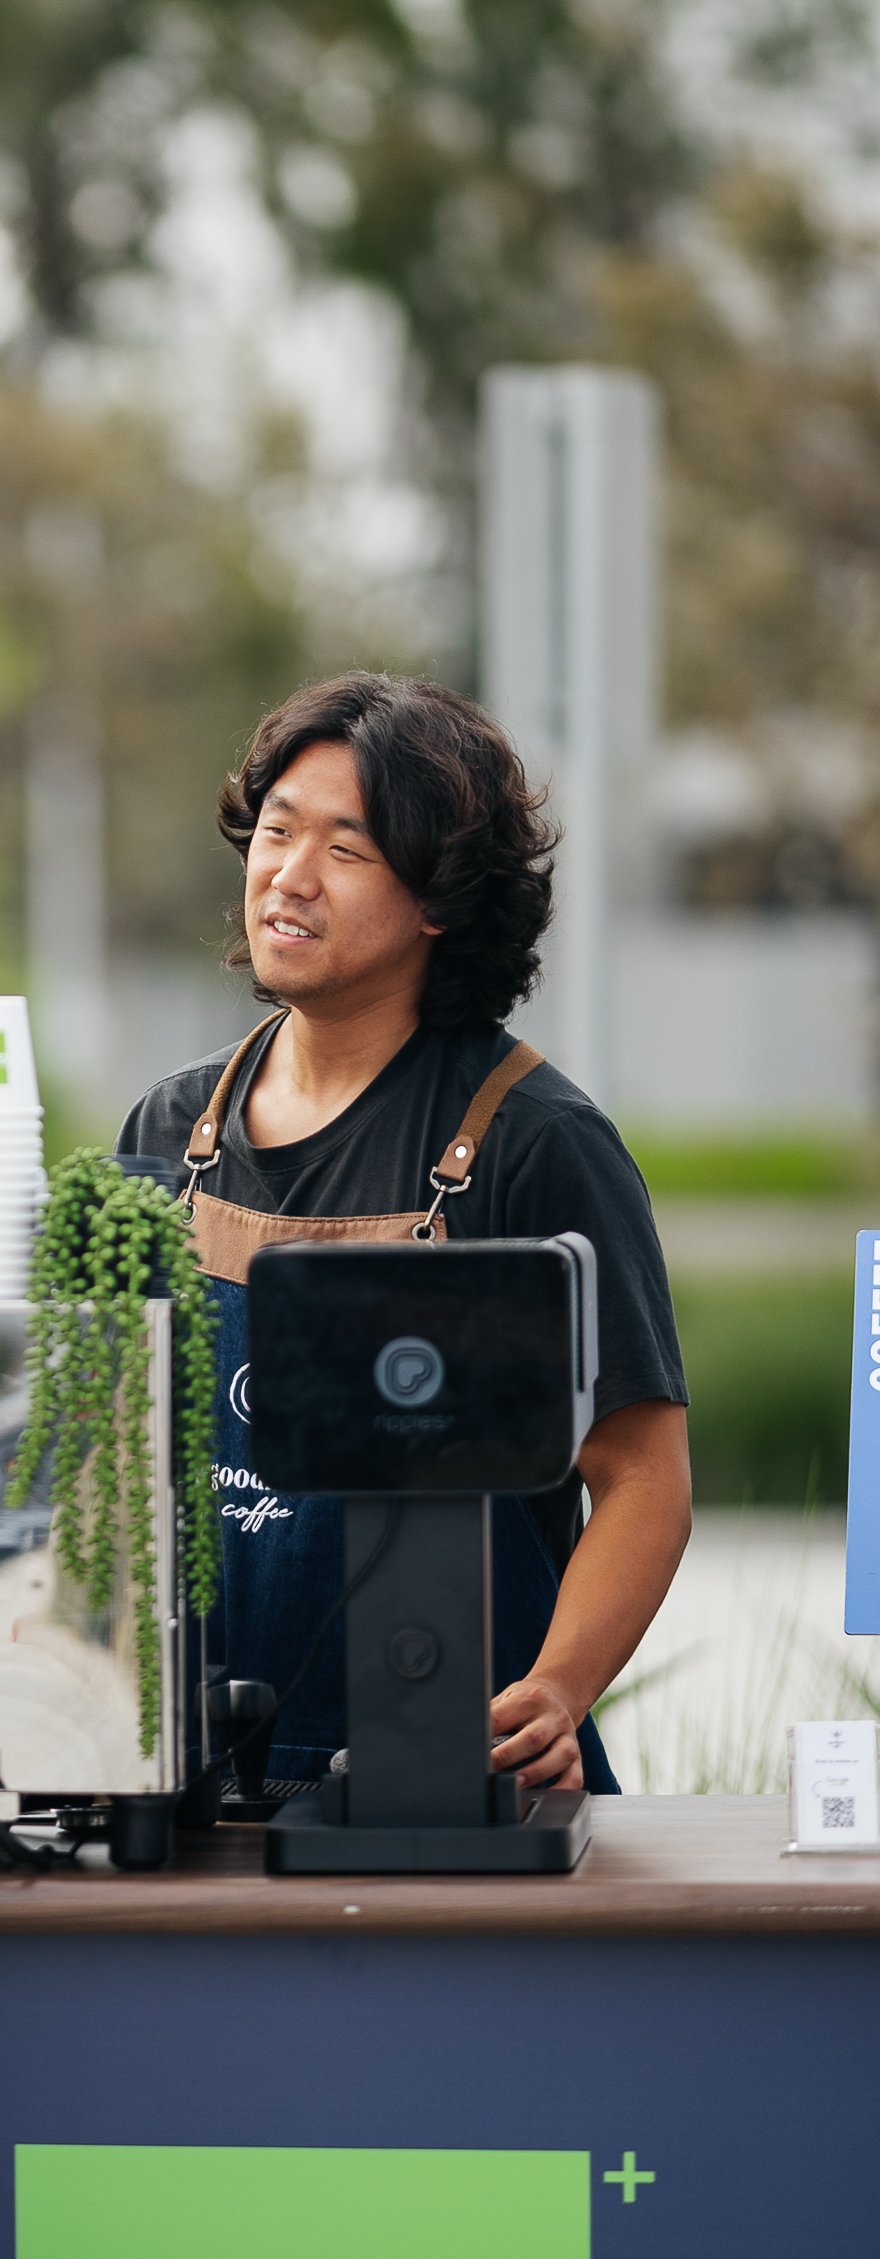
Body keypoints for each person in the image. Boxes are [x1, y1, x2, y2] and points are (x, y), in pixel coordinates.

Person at [117, 670, 691, 1800]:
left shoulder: (533, 1143)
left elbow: (640, 1477)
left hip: (454, 1781)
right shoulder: (167, 1129)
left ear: (436, 898)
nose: (287, 875)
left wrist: (558, 1689)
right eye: (274, 831)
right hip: (194, 1779)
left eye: (345, 849)